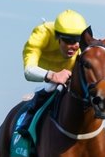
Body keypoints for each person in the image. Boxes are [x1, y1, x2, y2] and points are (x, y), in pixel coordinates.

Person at [16, 9, 88, 142]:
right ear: (57, 37)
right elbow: (28, 71)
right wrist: (52, 75)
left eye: (76, 41)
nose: (72, 46)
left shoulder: (84, 42)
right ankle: (24, 132)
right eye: (67, 41)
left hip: (69, 78)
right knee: (50, 88)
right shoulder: (42, 34)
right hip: (44, 79)